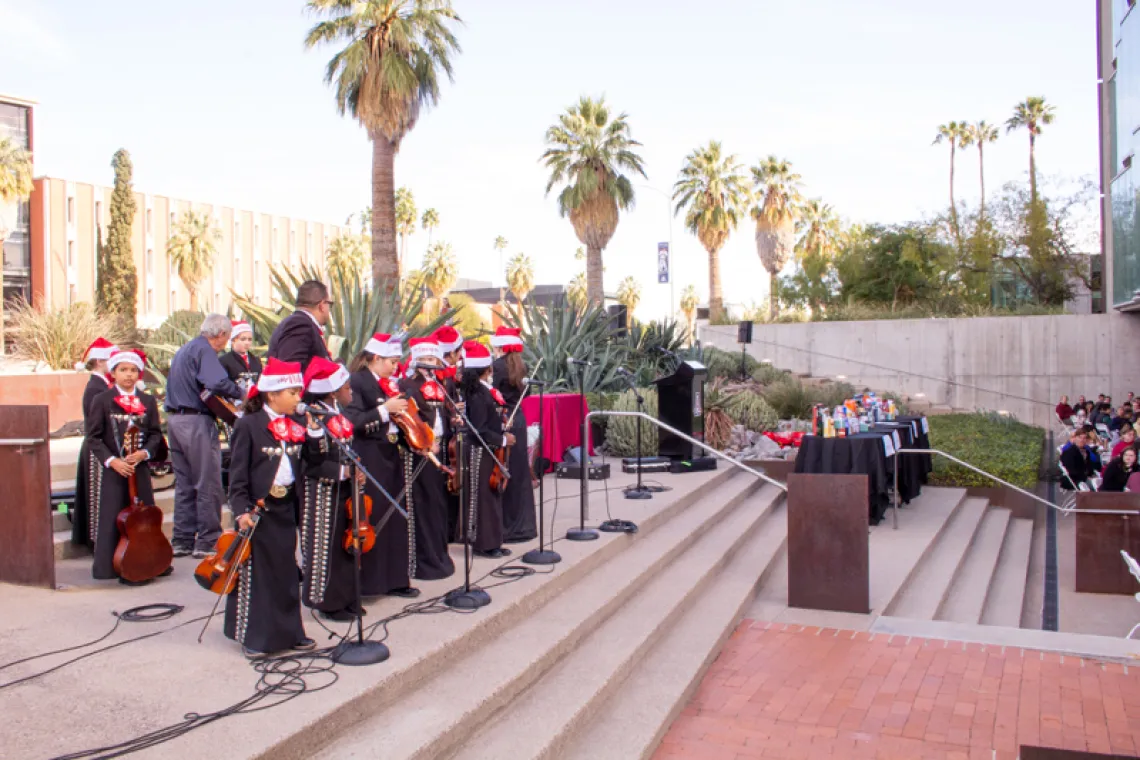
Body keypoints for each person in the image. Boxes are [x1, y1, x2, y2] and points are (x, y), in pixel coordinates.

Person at [224, 358, 315, 655]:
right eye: (292, 392)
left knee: (288, 570)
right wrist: (241, 511)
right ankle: (256, 637)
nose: (298, 398)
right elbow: (237, 475)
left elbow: (310, 463)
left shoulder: (298, 423)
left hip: (287, 505)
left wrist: (315, 434)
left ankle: (291, 632)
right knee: (260, 576)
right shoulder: (249, 425)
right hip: (259, 509)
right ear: (273, 394)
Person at [165, 314, 246, 559]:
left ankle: (182, 539)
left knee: (185, 483)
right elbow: (217, 382)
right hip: (196, 422)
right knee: (207, 481)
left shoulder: (186, 349)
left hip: (175, 420)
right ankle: (208, 540)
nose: (226, 342)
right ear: (220, 335)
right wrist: (243, 394)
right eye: (227, 337)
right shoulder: (205, 351)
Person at [344, 333, 419, 598]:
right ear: (376, 358)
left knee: (397, 516)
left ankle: (397, 578)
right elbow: (352, 421)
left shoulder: (388, 383)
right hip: (370, 455)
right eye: (391, 361)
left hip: (390, 453)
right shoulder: (358, 381)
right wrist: (384, 410)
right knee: (375, 517)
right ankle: (372, 583)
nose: (396, 366)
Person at [86, 350, 170, 583]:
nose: (129, 375)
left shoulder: (147, 400)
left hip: (139, 468)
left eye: (133, 370)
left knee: (144, 515)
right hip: (115, 469)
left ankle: (149, 560)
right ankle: (110, 564)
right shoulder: (102, 401)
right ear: (113, 373)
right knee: (114, 513)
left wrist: (144, 453)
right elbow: (93, 437)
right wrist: (113, 461)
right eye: (123, 370)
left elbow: (154, 434)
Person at [299, 357, 364, 621]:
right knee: (328, 548)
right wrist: (342, 472)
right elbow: (310, 463)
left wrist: (357, 468)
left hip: (346, 489)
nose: (351, 391)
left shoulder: (338, 412)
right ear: (333, 390)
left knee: (347, 545)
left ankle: (348, 596)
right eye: (347, 387)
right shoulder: (313, 416)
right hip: (324, 492)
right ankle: (329, 602)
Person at [400, 337, 455, 580]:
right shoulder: (410, 385)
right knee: (424, 505)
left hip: (440, 448)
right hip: (422, 451)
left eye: (435, 360)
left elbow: (440, 414)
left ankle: (439, 554)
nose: (432, 365)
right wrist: (424, 439)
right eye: (428, 360)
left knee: (438, 505)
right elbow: (412, 418)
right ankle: (424, 560)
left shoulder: (439, 385)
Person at [460, 341, 515, 559]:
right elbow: (479, 429)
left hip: (489, 449)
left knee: (492, 496)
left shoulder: (483, 391)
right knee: (482, 497)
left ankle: (494, 539)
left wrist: (501, 427)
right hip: (481, 451)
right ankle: (483, 542)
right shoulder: (477, 395)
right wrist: (502, 440)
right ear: (487, 369)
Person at [491, 326, 537, 544]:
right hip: (518, 419)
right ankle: (523, 525)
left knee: (503, 470)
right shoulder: (523, 366)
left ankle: (505, 526)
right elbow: (528, 394)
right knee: (518, 472)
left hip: (503, 418)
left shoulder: (495, 367)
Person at [72, 337, 118, 548]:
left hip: (102, 445)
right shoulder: (96, 388)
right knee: (95, 496)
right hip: (96, 448)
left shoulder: (102, 386)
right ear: (100, 361)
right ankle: (95, 539)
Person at [267, 280, 332, 372]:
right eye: (330, 304)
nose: (329, 309)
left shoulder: (296, 323)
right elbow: (291, 369)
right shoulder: (300, 325)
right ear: (321, 305)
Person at [220, 320, 263, 391]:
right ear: (233, 341)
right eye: (243, 339)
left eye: (249, 339)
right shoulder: (224, 361)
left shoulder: (256, 361)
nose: (247, 343)